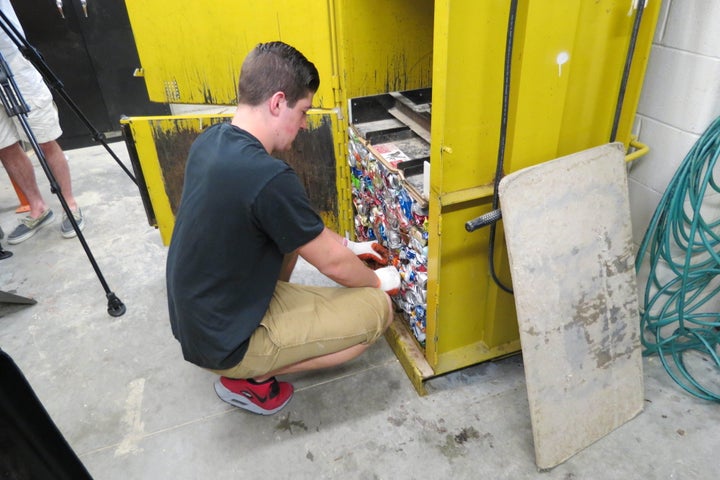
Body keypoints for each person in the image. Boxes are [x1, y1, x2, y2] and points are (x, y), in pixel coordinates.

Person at [166, 41, 400, 416]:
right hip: (226, 342)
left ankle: (253, 352)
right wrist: (378, 281)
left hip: (199, 319)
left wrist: (349, 246)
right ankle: (249, 378)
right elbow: (333, 266)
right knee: (377, 311)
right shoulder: (267, 175)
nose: (306, 124)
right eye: (304, 111)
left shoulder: (211, 141)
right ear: (277, 102)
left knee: (292, 237)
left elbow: (299, 229)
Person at [0, 0, 84, 245]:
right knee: (4, 147)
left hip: (14, 65)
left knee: (45, 140)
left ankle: (69, 203)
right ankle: (37, 207)